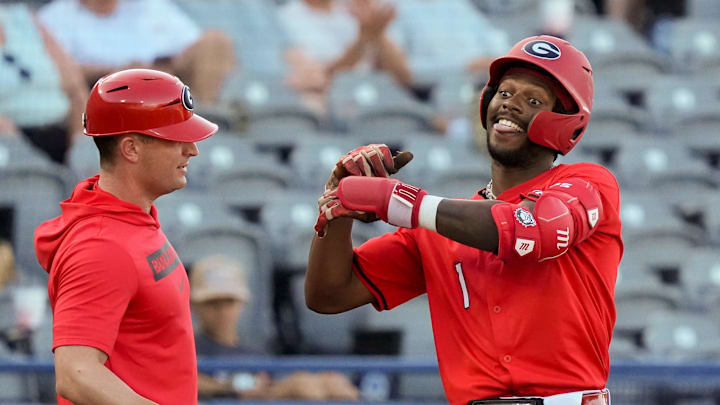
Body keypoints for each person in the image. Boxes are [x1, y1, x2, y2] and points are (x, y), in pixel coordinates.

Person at [307, 36, 622, 405]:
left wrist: (403, 203)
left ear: (567, 122)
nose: (510, 104)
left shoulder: (590, 182)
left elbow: (532, 231)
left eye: (533, 100)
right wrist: (338, 206)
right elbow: (329, 294)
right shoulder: (440, 226)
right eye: (504, 92)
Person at [33, 69, 218, 404]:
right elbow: (76, 373)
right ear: (131, 149)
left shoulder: (131, 219)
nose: (192, 150)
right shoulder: (102, 245)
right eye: (176, 138)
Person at [191, 255, 360, 401]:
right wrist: (233, 390)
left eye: (229, 302)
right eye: (212, 304)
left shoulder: (255, 353)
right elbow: (182, 381)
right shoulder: (189, 348)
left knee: (332, 385)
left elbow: (270, 384)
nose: (222, 312)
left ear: (242, 304)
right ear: (194, 306)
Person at [38, 0, 234, 105]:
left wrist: (153, 70)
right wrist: (121, 71)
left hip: (165, 77)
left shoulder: (148, 6)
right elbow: (56, 70)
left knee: (216, 42)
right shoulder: (56, 16)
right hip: (107, 91)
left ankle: (206, 116)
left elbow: (191, 46)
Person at [279, 0, 412, 113]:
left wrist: (378, 34)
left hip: (371, 95)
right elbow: (320, 78)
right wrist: (364, 38)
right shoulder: (286, 18)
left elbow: (403, 76)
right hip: (332, 104)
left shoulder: (353, 9)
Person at [0, 2, 87, 163]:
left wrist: (80, 140)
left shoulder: (23, 18)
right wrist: (25, 154)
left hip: (64, 135)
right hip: (10, 143)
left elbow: (76, 89)